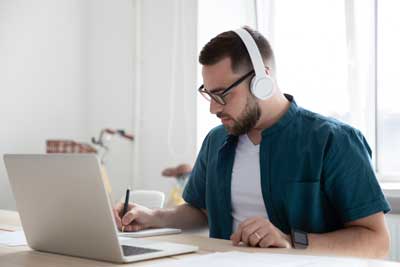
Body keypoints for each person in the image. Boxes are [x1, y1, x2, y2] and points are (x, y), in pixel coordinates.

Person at [113, 26, 391, 258]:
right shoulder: (216, 140)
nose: (213, 108)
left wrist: (290, 241)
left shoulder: (335, 141)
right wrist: (153, 216)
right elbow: (201, 211)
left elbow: (377, 242)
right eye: (208, 94)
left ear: (262, 81)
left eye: (222, 94)